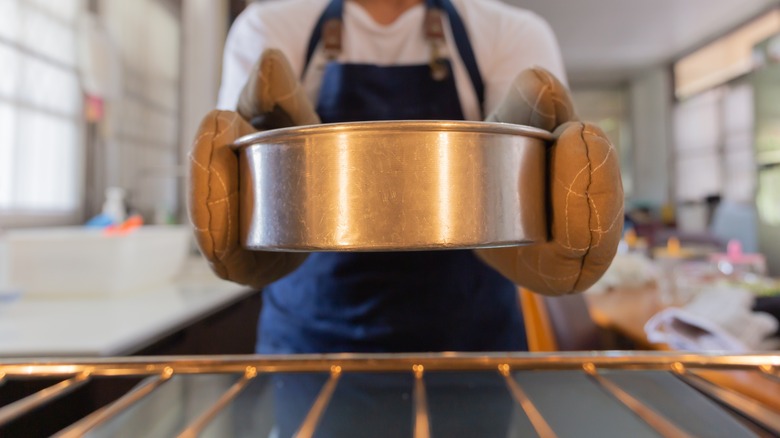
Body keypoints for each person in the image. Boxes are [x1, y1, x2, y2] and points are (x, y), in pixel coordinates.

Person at [188, 0, 624, 355]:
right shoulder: (269, 27)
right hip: (307, 347)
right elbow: (245, 181)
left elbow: (530, 185)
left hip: (471, 346)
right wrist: (259, 212)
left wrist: (532, 219)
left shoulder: (510, 32)